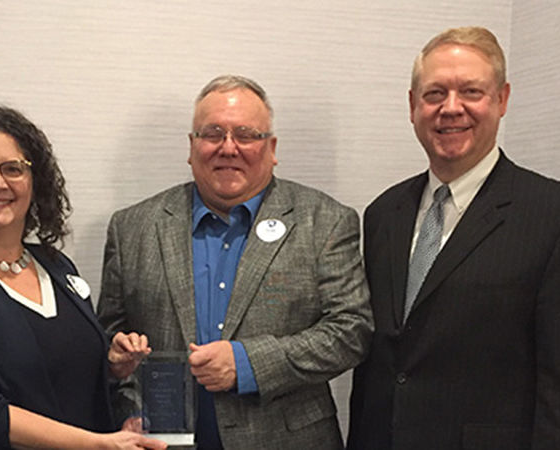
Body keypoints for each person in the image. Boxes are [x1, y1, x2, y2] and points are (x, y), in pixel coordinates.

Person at [347, 26, 560, 449]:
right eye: (434, 94)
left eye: (471, 92)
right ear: (412, 106)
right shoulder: (382, 214)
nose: (451, 108)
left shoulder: (558, 216)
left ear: (502, 100)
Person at [97, 75, 373, 449]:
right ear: (192, 147)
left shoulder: (324, 221)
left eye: (246, 134)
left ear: (271, 148)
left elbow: (351, 331)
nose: (228, 148)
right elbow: (108, 343)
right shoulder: (133, 228)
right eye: (212, 134)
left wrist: (246, 364)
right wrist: (127, 400)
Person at [0, 105, 166, 450]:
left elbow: (60, 378)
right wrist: (98, 444)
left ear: (34, 181)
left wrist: (111, 366)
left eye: (13, 168)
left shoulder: (57, 267)